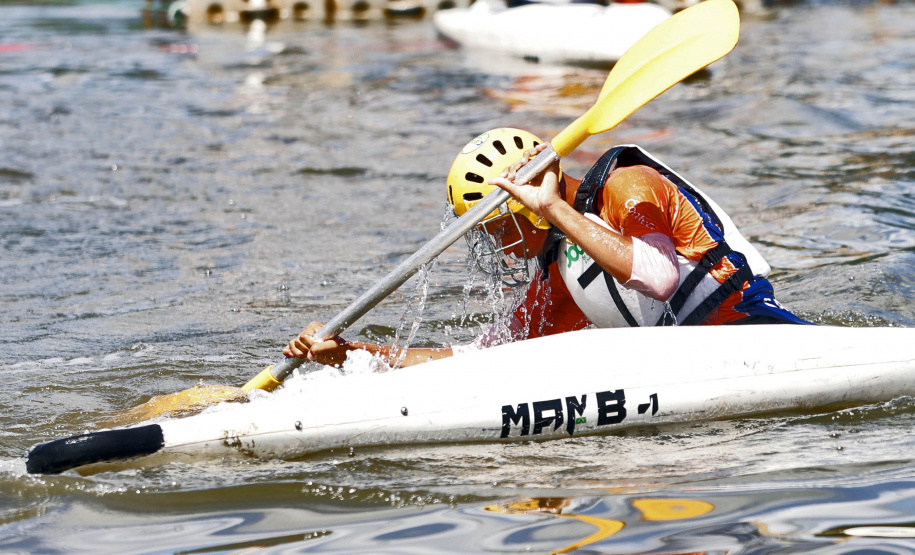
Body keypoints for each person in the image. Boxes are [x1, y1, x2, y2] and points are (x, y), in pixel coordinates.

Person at [284, 128, 809, 368]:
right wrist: (353, 354)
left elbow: (659, 276)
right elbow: (477, 358)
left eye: (498, 230)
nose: (500, 250)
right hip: (697, 373)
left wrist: (557, 207)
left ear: (533, 207)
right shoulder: (564, 270)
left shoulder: (628, 186)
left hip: (764, 338)